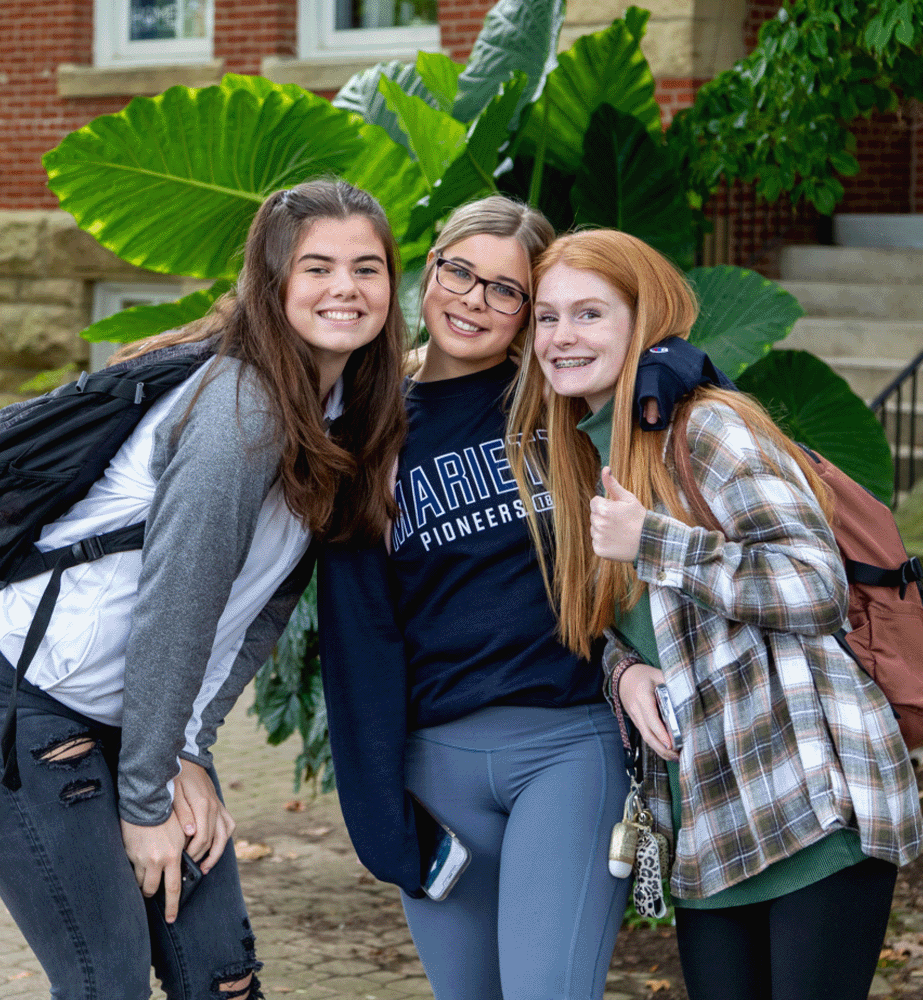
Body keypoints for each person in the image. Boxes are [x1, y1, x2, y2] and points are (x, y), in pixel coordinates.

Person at [0, 179, 408, 1000]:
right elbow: (177, 604)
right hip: (27, 693)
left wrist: (187, 746)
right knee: (104, 979)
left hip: (144, 717)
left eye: (367, 268)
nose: (345, 289)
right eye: (318, 267)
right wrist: (148, 799)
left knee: (222, 979)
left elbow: (259, 613)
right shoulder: (242, 412)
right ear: (274, 282)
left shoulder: (337, 415)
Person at [509, 229, 923, 1000]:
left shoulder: (707, 428)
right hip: (712, 828)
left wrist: (657, 541)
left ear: (644, 321)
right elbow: (627, 623)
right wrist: (624, 672)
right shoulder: (578, 453)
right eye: (548, 317)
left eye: (590, 314)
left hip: (807, 803)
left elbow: (814, 586)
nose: (563, 337)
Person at [318, 196, 631, 1000]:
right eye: (461, 272)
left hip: (565, 746)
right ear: (430, 270)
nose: (474, 300)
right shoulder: (365, 427)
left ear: (528, 314)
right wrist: (381, 812)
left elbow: (665, 402)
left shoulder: (557, 405)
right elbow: (359, 637)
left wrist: (672, 366)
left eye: (505, 290)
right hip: (435, 769)